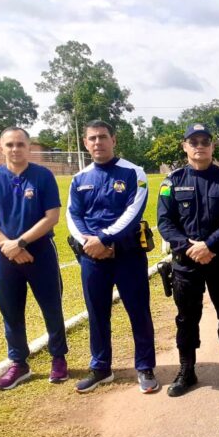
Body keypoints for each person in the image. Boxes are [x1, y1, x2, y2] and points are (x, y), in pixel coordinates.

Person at [67, 120, 158, 394]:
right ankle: (101, 368)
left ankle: (145, 367)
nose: (98, 142)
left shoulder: (134, 173)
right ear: (85, 143)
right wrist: (89, 242)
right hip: (92, 257)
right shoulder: (79, 178)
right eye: (92, 138)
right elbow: (73, 216)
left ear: (113, 140)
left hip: (127, 255)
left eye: (103, 137)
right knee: (97, 313)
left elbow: (133, 212)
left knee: (138, 311)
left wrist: (104, 239)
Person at [0, 127, 69, 390]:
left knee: (51, 307)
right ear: (1, 147)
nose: (15, 149)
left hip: (40, 252)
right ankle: (18, 363)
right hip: (4, 255)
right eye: (10, 144)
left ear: (28, 147)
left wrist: (21, 243)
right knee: (11, 311)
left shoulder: (43, 176)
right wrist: (8, 246)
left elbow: (52, 216)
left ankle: (58, 357)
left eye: (20, 144)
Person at [157, 123, 219, 396]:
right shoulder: (171, 181)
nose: (199, 146)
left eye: (205, 141)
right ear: (185, 146)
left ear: (212, 146)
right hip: (186, 262)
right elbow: (165, 221)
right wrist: (188, 247)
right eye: (193, 141)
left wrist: (210, 245)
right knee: (186, 318)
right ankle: (187, 371)